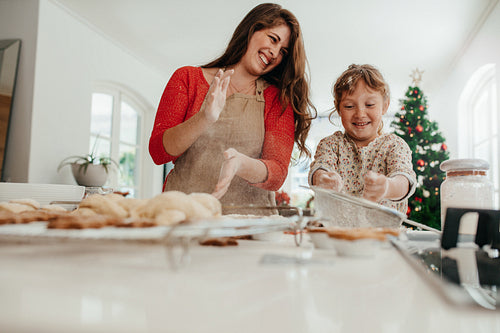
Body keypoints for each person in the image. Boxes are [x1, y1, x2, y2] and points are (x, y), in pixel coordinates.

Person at [149, 3, 316, 213]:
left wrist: (240, 164)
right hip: (184, 216)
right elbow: (158, 152)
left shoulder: (277, 99)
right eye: (273, 39)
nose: (274, 53)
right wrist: (204, 118)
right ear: (251, 29)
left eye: (283, 51)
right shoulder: (188, 79)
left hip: (249, 225)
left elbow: (277, 173)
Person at [309, 64, 416, 214]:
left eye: (370, 104)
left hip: (383, 235)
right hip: (336, 234)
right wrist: (323, 179)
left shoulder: (394, 145)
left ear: (385, 106)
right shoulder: (331, 145)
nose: (360, 113)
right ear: (338, 108)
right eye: (349, 106)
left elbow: (404, 179)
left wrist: (388, 187)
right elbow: (319, 169)